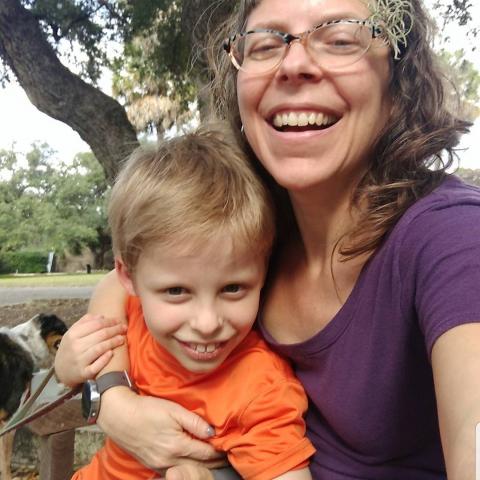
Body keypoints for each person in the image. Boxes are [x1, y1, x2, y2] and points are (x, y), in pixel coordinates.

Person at [56, 0, 480, 478]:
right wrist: (113, 401)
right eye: (265, 44)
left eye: (341, 38)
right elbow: (126, 283)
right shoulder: (253, 221)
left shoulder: (452, 239)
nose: (294, 63)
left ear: (399, 86)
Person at [67, 127, 315, 480]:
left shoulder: (259, 391)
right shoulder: (130, 318)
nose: (206, 322)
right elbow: (72, 367)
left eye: (232, 288)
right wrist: (70, 367)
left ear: (264, 273)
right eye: (176, 291)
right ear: (130, 277)